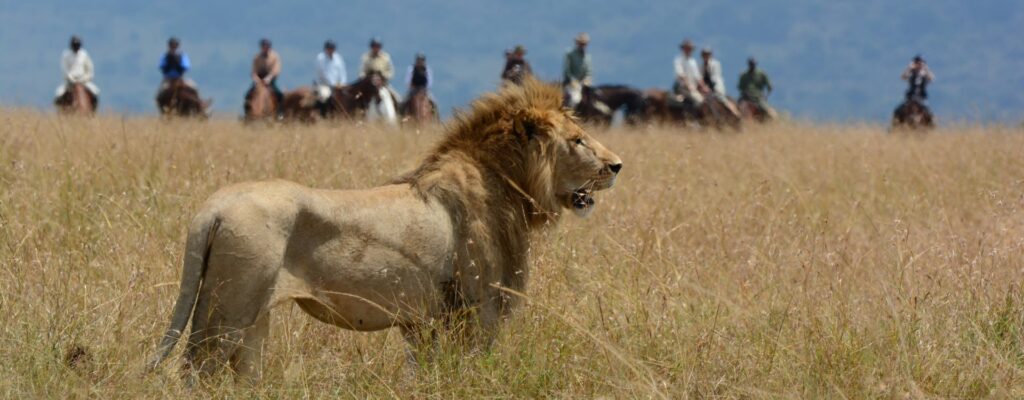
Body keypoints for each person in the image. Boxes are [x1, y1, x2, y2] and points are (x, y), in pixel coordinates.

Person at [359, 37, 399, 123]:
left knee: (397, 98)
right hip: (369, 86)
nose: (376, 48)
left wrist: (384, 76)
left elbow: (391, 71)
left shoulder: (385, 57)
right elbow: (361, 72)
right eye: (374, 46)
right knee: (358, 99)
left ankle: (398, 117)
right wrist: (367, 78)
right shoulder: (366, 58)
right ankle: (359, 117)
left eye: (377, 46)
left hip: (383, 84)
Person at [55, 35, 99, 105]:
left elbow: (89, 68)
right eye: (74, 45)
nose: (76, 47)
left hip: (83, 81)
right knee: (58, 94)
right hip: (70, 82)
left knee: (95, 92)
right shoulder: (66, 55)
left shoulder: (84, 54)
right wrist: (70, 77)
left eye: (77, 45)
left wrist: (86, 78)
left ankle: (93, 110)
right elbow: (64, 69)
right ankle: (61, 110)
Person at [245, 38, 283, 115]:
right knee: (247, 95)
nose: (265, 47)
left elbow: (276, 70)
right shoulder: (256, 57)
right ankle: (247, 114)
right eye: (264, 46)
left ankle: (280, 114)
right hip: (258, 80)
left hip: (270, 80)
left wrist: (269, 78)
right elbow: (253, 71)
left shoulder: (275, 57)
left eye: (267, 46)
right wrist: (257, 79)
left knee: (279, 94)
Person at [700, 47, 739, 117]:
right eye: (704, 54)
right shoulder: (701, 66)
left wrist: (707, 87)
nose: (706, 56)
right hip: (707, 90)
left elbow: (715, 77)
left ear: (710, 55)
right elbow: (700, 78)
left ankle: (735, 113)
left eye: (707, 54)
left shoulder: (716, 64)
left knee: (721, 99)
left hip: (716, 88)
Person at [314, 39, 347, 117]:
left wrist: (342, 82)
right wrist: (333, 84)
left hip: (338, 85)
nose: (330, 50)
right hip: (324, 84)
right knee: (324, 95)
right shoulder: (320, 58)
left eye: (332, 48)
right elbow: (323, 73)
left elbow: (342, 71)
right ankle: (323, 114)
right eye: (329, 48)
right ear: (325, 49)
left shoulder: (338, 58)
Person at [563, 32, 593, 108]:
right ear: (577, 44)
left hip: (584, 84)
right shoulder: (570, 54)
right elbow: (567, 70)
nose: (583, 46)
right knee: (575, 99)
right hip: (571, 84)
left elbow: (589, 71)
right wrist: (572, 80)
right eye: (581, 43)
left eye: (584, 44)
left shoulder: (588, 57)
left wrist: (587, 79)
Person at [672, 39, 704, 106]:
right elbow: (681, 75)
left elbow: (697, 76)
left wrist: (704, 86)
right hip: (683, 87)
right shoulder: (678, 60)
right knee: (699, 100)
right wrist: (688, 85)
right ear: (683, 49)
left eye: (690, 48)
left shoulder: (693, 61)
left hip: (694, 87)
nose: (689, 50)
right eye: (687, 48)